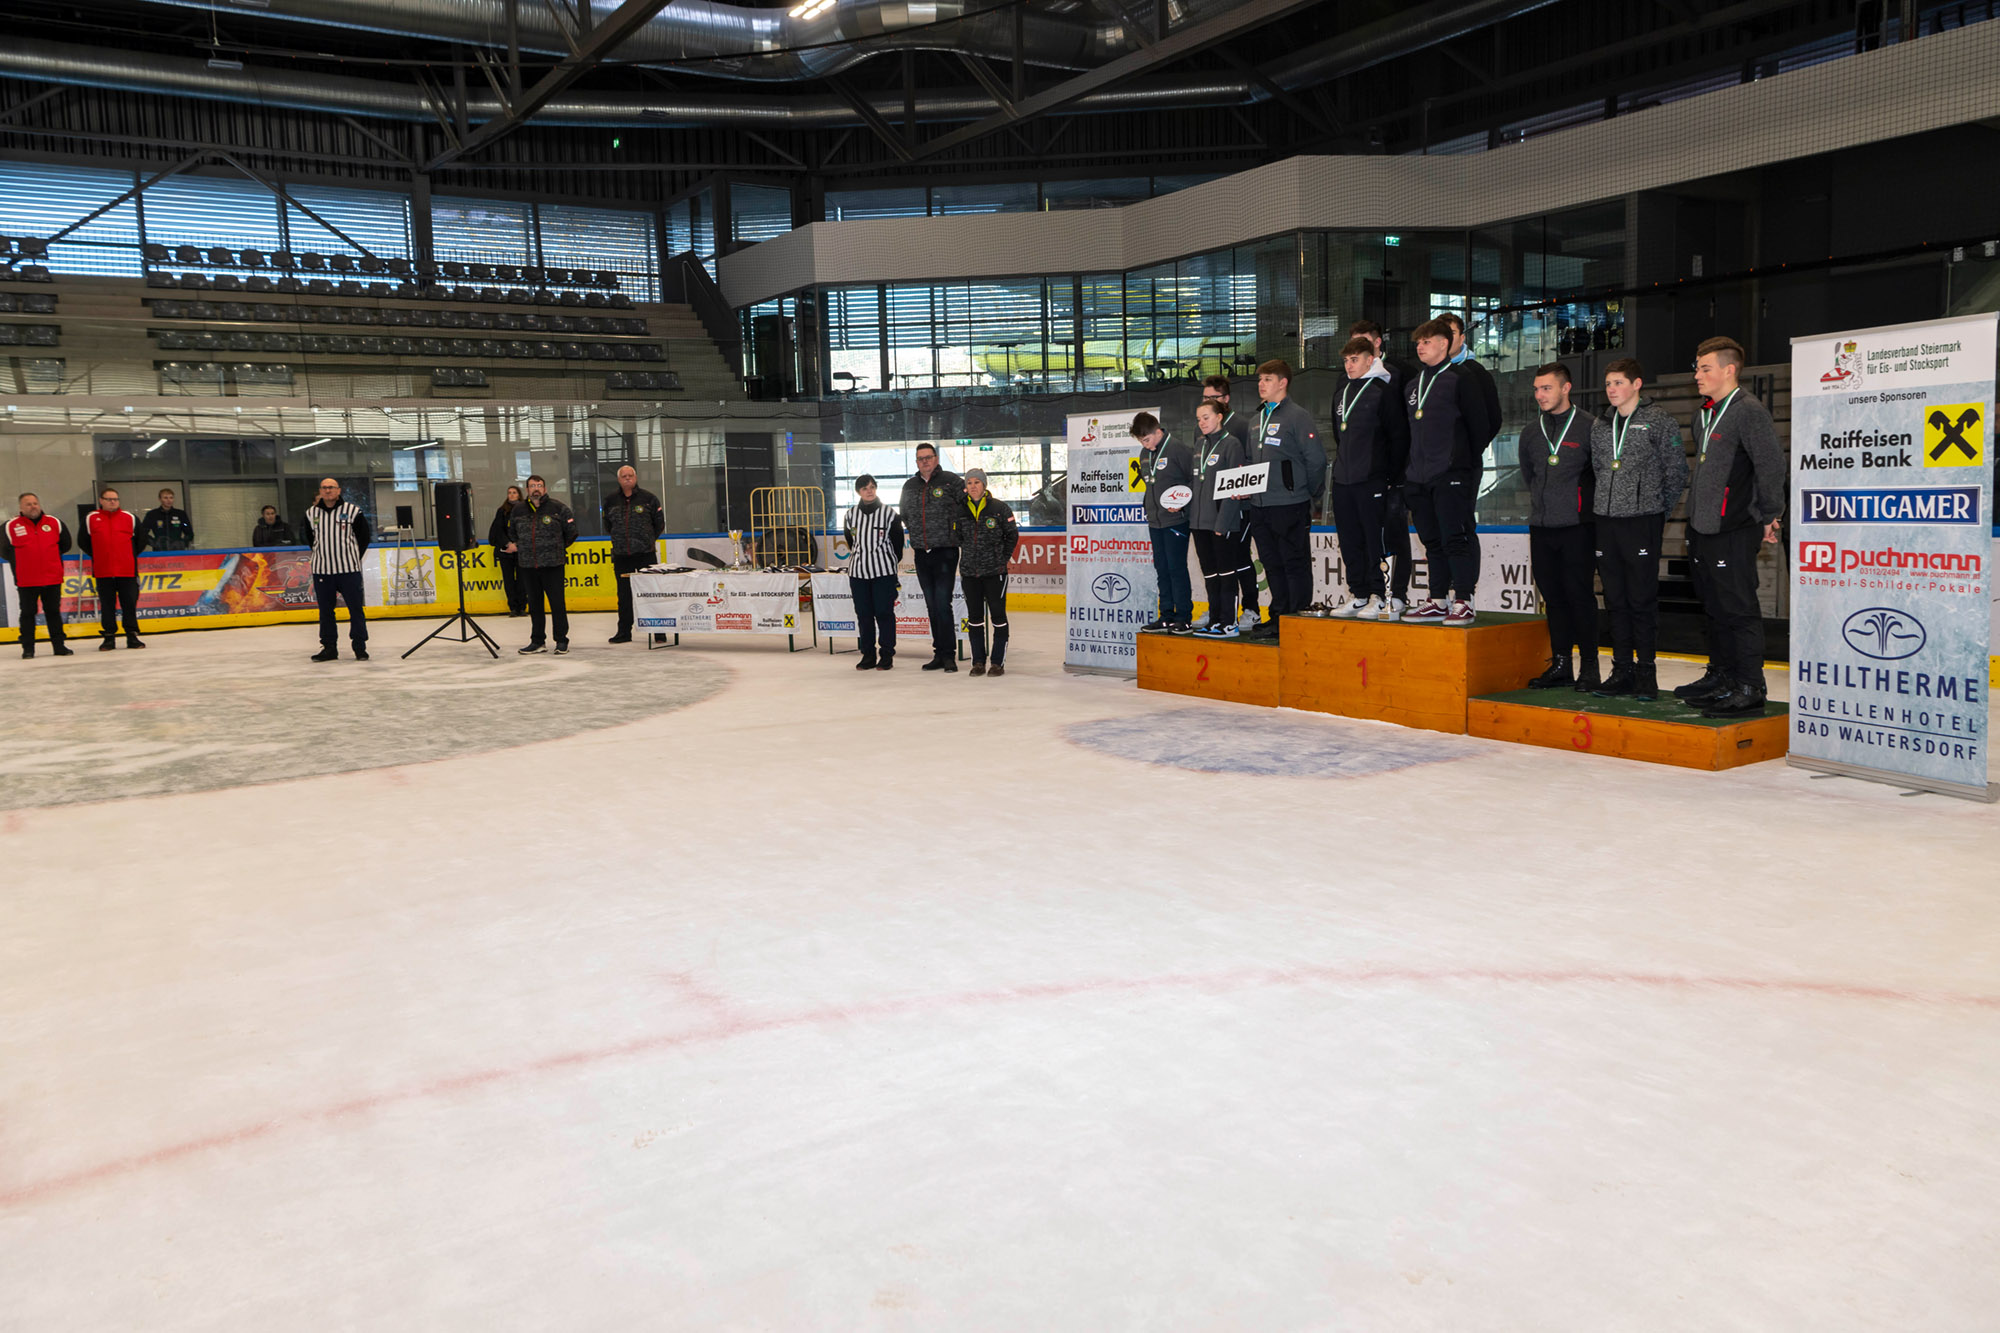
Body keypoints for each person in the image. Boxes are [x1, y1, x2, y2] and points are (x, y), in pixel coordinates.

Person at [1680, 336, 1787, 718]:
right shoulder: (1704, 414)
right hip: (1703, 527)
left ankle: (1749, 685)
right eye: (1696, 367)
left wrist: (1771, 513)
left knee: (1739, 609)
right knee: (1714, 607)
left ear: (1729, 370)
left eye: (1705, 367)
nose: (1697, 375)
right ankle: (1723, 677)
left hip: (1734, 527)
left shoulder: (1748, 411)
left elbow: (1771, 465)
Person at [1586, 358, 1688, 701]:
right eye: (1609, 383)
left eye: (1618, 383)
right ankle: (1621, 671)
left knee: (1641, 599)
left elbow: (1676, 472)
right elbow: (1600, 471)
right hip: (1606, 520)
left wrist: (1657, 510)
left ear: (1637, 384)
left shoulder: (1658, 421)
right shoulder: (1601, 425)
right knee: (1614, 599)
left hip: (1643, 519)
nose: (1612, 389)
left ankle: (1646, 672)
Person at [1402, 318, 1499, 626]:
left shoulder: (1462, 378)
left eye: (1426, 341)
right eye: (1418, 342)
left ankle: (1464, 599)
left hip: (1452, 473)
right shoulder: (1412, 385)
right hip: (1419, 477)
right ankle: (1438, 598)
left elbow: (1481, 426)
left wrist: (1461, 462)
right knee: (1432, 541)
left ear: (1444, 344)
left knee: (1455, 537)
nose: (1420, 346)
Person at [1518, 362, 1600, 689]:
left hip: (1578, 526)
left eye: (1546, 388)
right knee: (1553, 598)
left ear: (1566, 388)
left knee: (1580, 595)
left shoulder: (1590, 427)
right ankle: (1562, 664)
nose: (1540, 395)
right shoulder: (1530, 433)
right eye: (1537, 389)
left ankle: (1590, 667)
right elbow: (1530, 475)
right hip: (1542, 528)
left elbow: (1599, 476)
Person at [1325, 336, 1409, 619]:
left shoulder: (1383, 391)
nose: (1349, 366)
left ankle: (1383, 594)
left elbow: (1398, 436)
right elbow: (1340, 435)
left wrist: (1389, 476)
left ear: (1371, 360)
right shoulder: (1341, 393)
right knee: (1350, 540)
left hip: (1373, 478)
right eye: (1346, 361)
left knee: (1377, 539)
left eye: (1355, 360)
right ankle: (1359, 593)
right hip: (1344, 480)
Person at [1242, 359, 1326, 638]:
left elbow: (1315, 461)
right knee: (1272, 564)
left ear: (1283, 382)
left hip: (1290, 505)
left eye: (1267, 379)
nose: (1261, 384)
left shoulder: (1297, 416)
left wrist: (1308, 494)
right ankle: (1278, 616)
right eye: (1260, 380)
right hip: (1260, 507)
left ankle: (1296, 618)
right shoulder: (1256, 420)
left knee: (1295, 563)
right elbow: (1250, 463)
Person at [1350, 319, 1417, 616]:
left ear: (1377, 344)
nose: (1356, 352)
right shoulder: (1347, 381)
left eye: (1363, 343)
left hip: (1396, 471)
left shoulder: (1401, 373)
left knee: (1394, 533)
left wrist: (1398, 469)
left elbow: (1405, 427)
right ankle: (1368, 593)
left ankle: (1396, 594)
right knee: (1364, 535)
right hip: (1362, 473)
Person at [1199, 375, 1262, 627]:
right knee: (1216, 562)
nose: (1207, 403)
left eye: (1212, 397)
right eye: (1204, 398)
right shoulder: (1201, 428)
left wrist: (1244, 491)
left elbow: (1254, 462)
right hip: (1212, 510)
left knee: (1239, 556)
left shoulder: (1243, 426)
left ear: (1226, 399)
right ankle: (1218, 610)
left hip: (1241, 507)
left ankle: (1251, 608)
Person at [1188, 400, 1253, 636]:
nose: (1201, 422)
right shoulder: (1199, 445)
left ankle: (1229, 623)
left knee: (1227, 574)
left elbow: (1234, 487)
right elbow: (1195, 485)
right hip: (1199, 523)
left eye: (1206, 417)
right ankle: (1215, 620)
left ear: (1219, 417)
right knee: (1210, 575)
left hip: (1222, 523)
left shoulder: (1232, 445)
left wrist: (1223, 522)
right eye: (1198, 419)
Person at [898, 443, 964, 671]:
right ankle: (938, 653)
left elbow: (967, 509)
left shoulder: (951, 481)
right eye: (920, 458)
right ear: (916, 462)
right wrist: (917, 533)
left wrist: (953, 533)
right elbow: (904, 513)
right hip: (921, 553)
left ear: (936, 458)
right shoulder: (910, 486)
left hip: (945, 551)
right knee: (931, 605)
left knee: (942, 604)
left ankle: (949, 656)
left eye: (928, 457)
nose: (925, 461)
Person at [1133, 411, 1195, 633]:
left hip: (1176, 520)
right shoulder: (1144, 453)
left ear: (1157, 431)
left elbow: (1195, 479)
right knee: (1162, 569)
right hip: (1155, 521)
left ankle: (1184, 616)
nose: (1145, 445)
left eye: (1147, 439)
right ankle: (1166, 615)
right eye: (1141, 441)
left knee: (1176, 568)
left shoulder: (1178, 449)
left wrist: (1184, 502)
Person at [956, 468, 1020, 677]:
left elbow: (1012, 535)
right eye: (970, 482)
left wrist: (1001, 558)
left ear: (984, 485)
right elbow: (956, 537)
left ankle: (997, 663)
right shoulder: (960, 509)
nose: (973, 486)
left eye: (977, 482)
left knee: (998, 617)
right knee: (974, 619)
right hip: (969, 574)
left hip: (995, 573)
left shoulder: (999, 508)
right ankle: (978, 662)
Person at [303, 477, 372, 662]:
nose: (328, 491)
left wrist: (351, 558)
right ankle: (329, 648)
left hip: (349, 570)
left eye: (331, 487)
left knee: (355, 609)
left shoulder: (353, 511)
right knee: (326, 611)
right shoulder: (311, 514)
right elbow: (310, 539)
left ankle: (359, 647)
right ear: (320, 491)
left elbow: (364, 538)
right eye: (324, 488)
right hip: (322, 570)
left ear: (339, 490)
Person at [506, 474, 578, 654]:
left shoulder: (558, 508)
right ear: (527, 490)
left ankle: (561, 640)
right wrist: (525, 548)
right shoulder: (518, 510)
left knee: (557, 603)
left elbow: (571, 533)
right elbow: (512, 533)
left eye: (539, 485)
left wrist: (555, 549)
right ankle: (537, 641)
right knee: (535, 604)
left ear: (544, 489)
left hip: (553, 565)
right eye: (532, 486)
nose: (536, 488)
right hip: (528, 565)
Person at [844, 474, 904, 671]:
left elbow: (898, 545)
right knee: (864, 615)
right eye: (864, 488)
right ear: (858, 492)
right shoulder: (850, 515)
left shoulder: (890, 514)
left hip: (883, 573)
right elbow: (851, 542)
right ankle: (868, 655)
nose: (869, 491)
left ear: (876, 488)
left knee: (884, 613)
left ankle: (886, 655)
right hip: (858, 573)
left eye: (871, 487)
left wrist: (886, 562)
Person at [3, 492, 73, 658]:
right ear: (20, 507)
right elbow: (4, 550)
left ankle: (59, 646)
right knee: (27, 613)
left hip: (52, 577)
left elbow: (65, 544)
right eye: (28, 504)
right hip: (27, 580)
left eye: (35, 503)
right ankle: (28, 649)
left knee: (53, 613)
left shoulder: (54, 522)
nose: (33, 506)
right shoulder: (10, 526)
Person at [602, 464, 666, 644]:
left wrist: (646, 540)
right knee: (623, 596)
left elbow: (659, 524)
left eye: (630, 475)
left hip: (645, 555)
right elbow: (608, 525)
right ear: (619, 479)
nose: (628, 478)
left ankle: (659, 631)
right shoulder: (610, 500)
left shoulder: (649, 499)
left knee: (651, 593)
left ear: (636, 478)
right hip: (622, 556)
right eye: (624, 476)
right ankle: (624, 632)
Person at [79, 486, 143, 650]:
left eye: (115, 499)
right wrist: (99, 554)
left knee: (129, 603)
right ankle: (109, 637)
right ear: (101, 501)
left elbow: (141, 541)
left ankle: (132, 636)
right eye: (109, 499)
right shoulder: (90, 518)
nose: (113, 502)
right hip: (103, 571)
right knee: (107, 605)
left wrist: (128, 555)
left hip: (127, 570)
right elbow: (83, 541)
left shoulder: (130, 518)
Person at [489, 485, 527, 616]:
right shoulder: (502, 511)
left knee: (523, 580)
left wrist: (517, 544)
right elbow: (498, 530)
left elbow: (527, 530)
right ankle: (513, 607)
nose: (511, 495)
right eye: (509, 493)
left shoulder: (525, 510)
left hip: (522, 551)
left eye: (514, 492)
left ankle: (522, 607)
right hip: (506, 552)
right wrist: (508, 544)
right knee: (509, 580)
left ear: (519, 494)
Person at [139, 488, 194, 552]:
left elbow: (189, 533)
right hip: (159, 551)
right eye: (165, 498)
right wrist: (155, 543)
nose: (169, 500)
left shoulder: (180, 514)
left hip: (178, 551)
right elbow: (143, 533)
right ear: (160, 499)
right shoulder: (152, 514)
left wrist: (182, 543)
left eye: (171, 498)